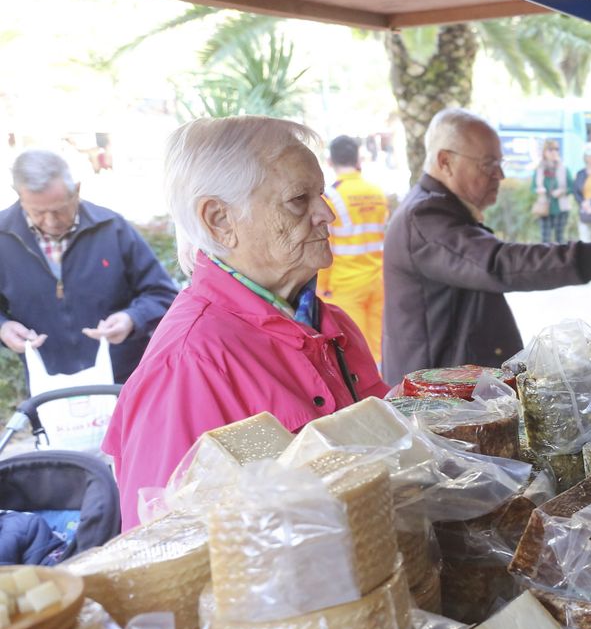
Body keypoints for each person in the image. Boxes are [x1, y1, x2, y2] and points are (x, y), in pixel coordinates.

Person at [101, 117, 388, 528]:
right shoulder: (189, 363)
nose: (327, 214)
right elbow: (164, 549)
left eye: (321, 194)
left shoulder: (329, 322)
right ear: (220, 219)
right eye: (298, 199)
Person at [382, 109, 591, 382]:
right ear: (445, 161)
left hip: (454, 392)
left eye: (500, 164)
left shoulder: (439, 211)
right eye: (488, 165)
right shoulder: (425, 218)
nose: (500, 176)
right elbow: (498, 264)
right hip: (436, 402)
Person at [0, 149, 177, 384]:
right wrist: (3, 328)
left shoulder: (112, 228)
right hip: (49, 384)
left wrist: (131, 318)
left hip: (124, 381)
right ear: (20, 197)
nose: (51, 222)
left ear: (77, 190)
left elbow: (163, 293)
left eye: (59, 209)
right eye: (38, 212)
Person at [319, 134, 389, 367]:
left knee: (357, 352)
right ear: (358, 158)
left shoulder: (331, 197)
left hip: (346, 284)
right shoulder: (377, 193)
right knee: (378, 347)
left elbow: (324, 243)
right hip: (378, 280)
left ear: (330, 161)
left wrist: (323, 288)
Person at [533, 138, 573, 241]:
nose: (554, 152)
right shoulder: (539, 169)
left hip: (561, 207)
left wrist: (562, 191)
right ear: (544, 152)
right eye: (550, 149)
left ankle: (559, 257)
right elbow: (533, 187)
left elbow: (572, 187)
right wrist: (539, 190)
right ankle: (546, 257)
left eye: (556, 149)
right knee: (545, 238)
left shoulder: (564, 168)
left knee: (560, 238)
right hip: (544, 208)